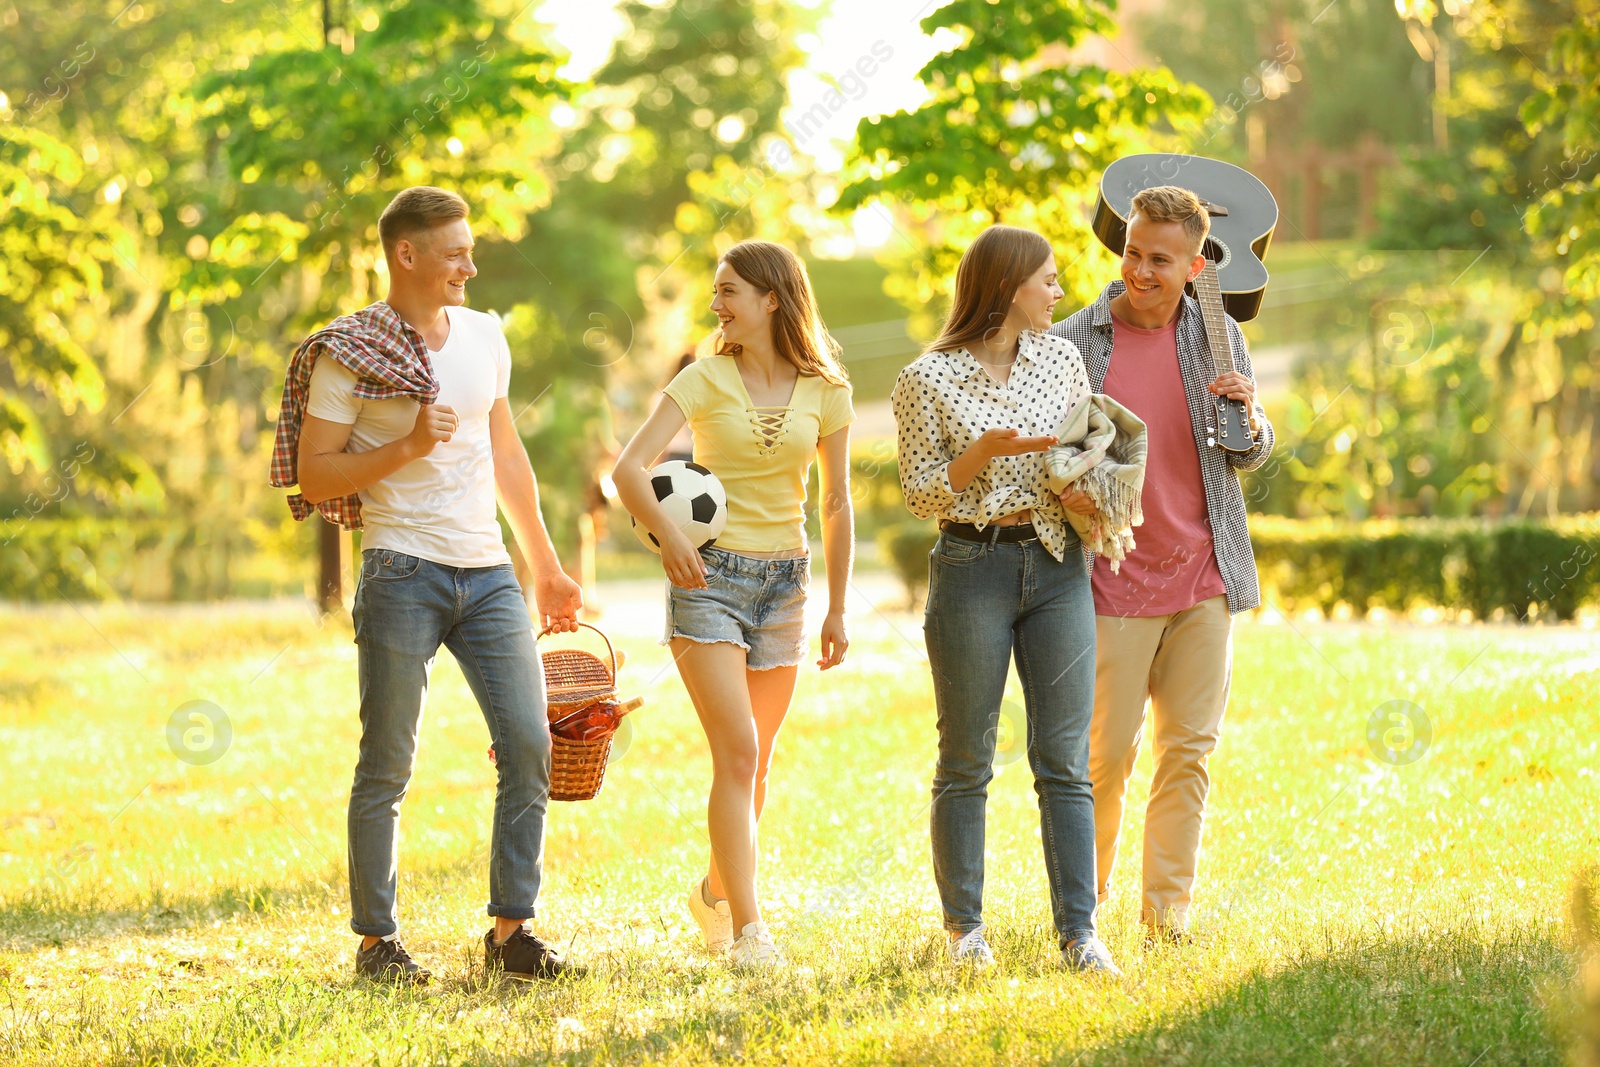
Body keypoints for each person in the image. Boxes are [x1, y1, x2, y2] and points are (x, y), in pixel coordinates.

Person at [271, 185, 584, 984]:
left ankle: (512, 933)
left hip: (487, 574)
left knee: (528, 742)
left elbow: (506, 454)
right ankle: (377, 944)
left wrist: (543, 565)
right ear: (405, 254)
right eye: (454, 253)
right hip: (402, 569)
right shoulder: (350, 352)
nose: (470, 266)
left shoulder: (484, 335)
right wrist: (409, 444)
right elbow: (314, 472)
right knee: (388, 761)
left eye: (469, 250)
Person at [613, 240, 855, 969]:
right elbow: (629, 468)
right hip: (707, 578)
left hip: (787, 581)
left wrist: (839, 607)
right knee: (739, 749)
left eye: (730, 292)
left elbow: (838, 503)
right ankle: (752, 931)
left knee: (758, 760)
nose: (717, 305)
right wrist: (668, 538)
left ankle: (717, 890)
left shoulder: (827, 389)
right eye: (716, 292)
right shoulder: (703, 378)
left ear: (773, 297)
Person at [891, 224, 1121, 975]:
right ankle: (966, 932)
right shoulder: (925, 379)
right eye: (1048, 279)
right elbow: (920, 492)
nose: (1059, 292)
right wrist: (980, 456)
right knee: (966, 758)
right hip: (971, 565)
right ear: (1008, 285)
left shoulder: (1062, 359)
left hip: (1057, 565)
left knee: (1064, 759)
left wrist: (1097, 484)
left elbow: (1090, 449)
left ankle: (1080, 933)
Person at [1050, 185, 1275, 946]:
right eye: (1132, 253)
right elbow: (1051, 462)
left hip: (1202, 578)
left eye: (1159, 260)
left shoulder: (1217, 334)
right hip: (1109, 581)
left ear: (1194, 265)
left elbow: (1247, 451)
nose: (1139, 270)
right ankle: (1087, 909)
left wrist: (1251, 412)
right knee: (1103, 757)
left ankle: (1167, 916)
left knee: (1188, 751)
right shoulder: (1077, 339)